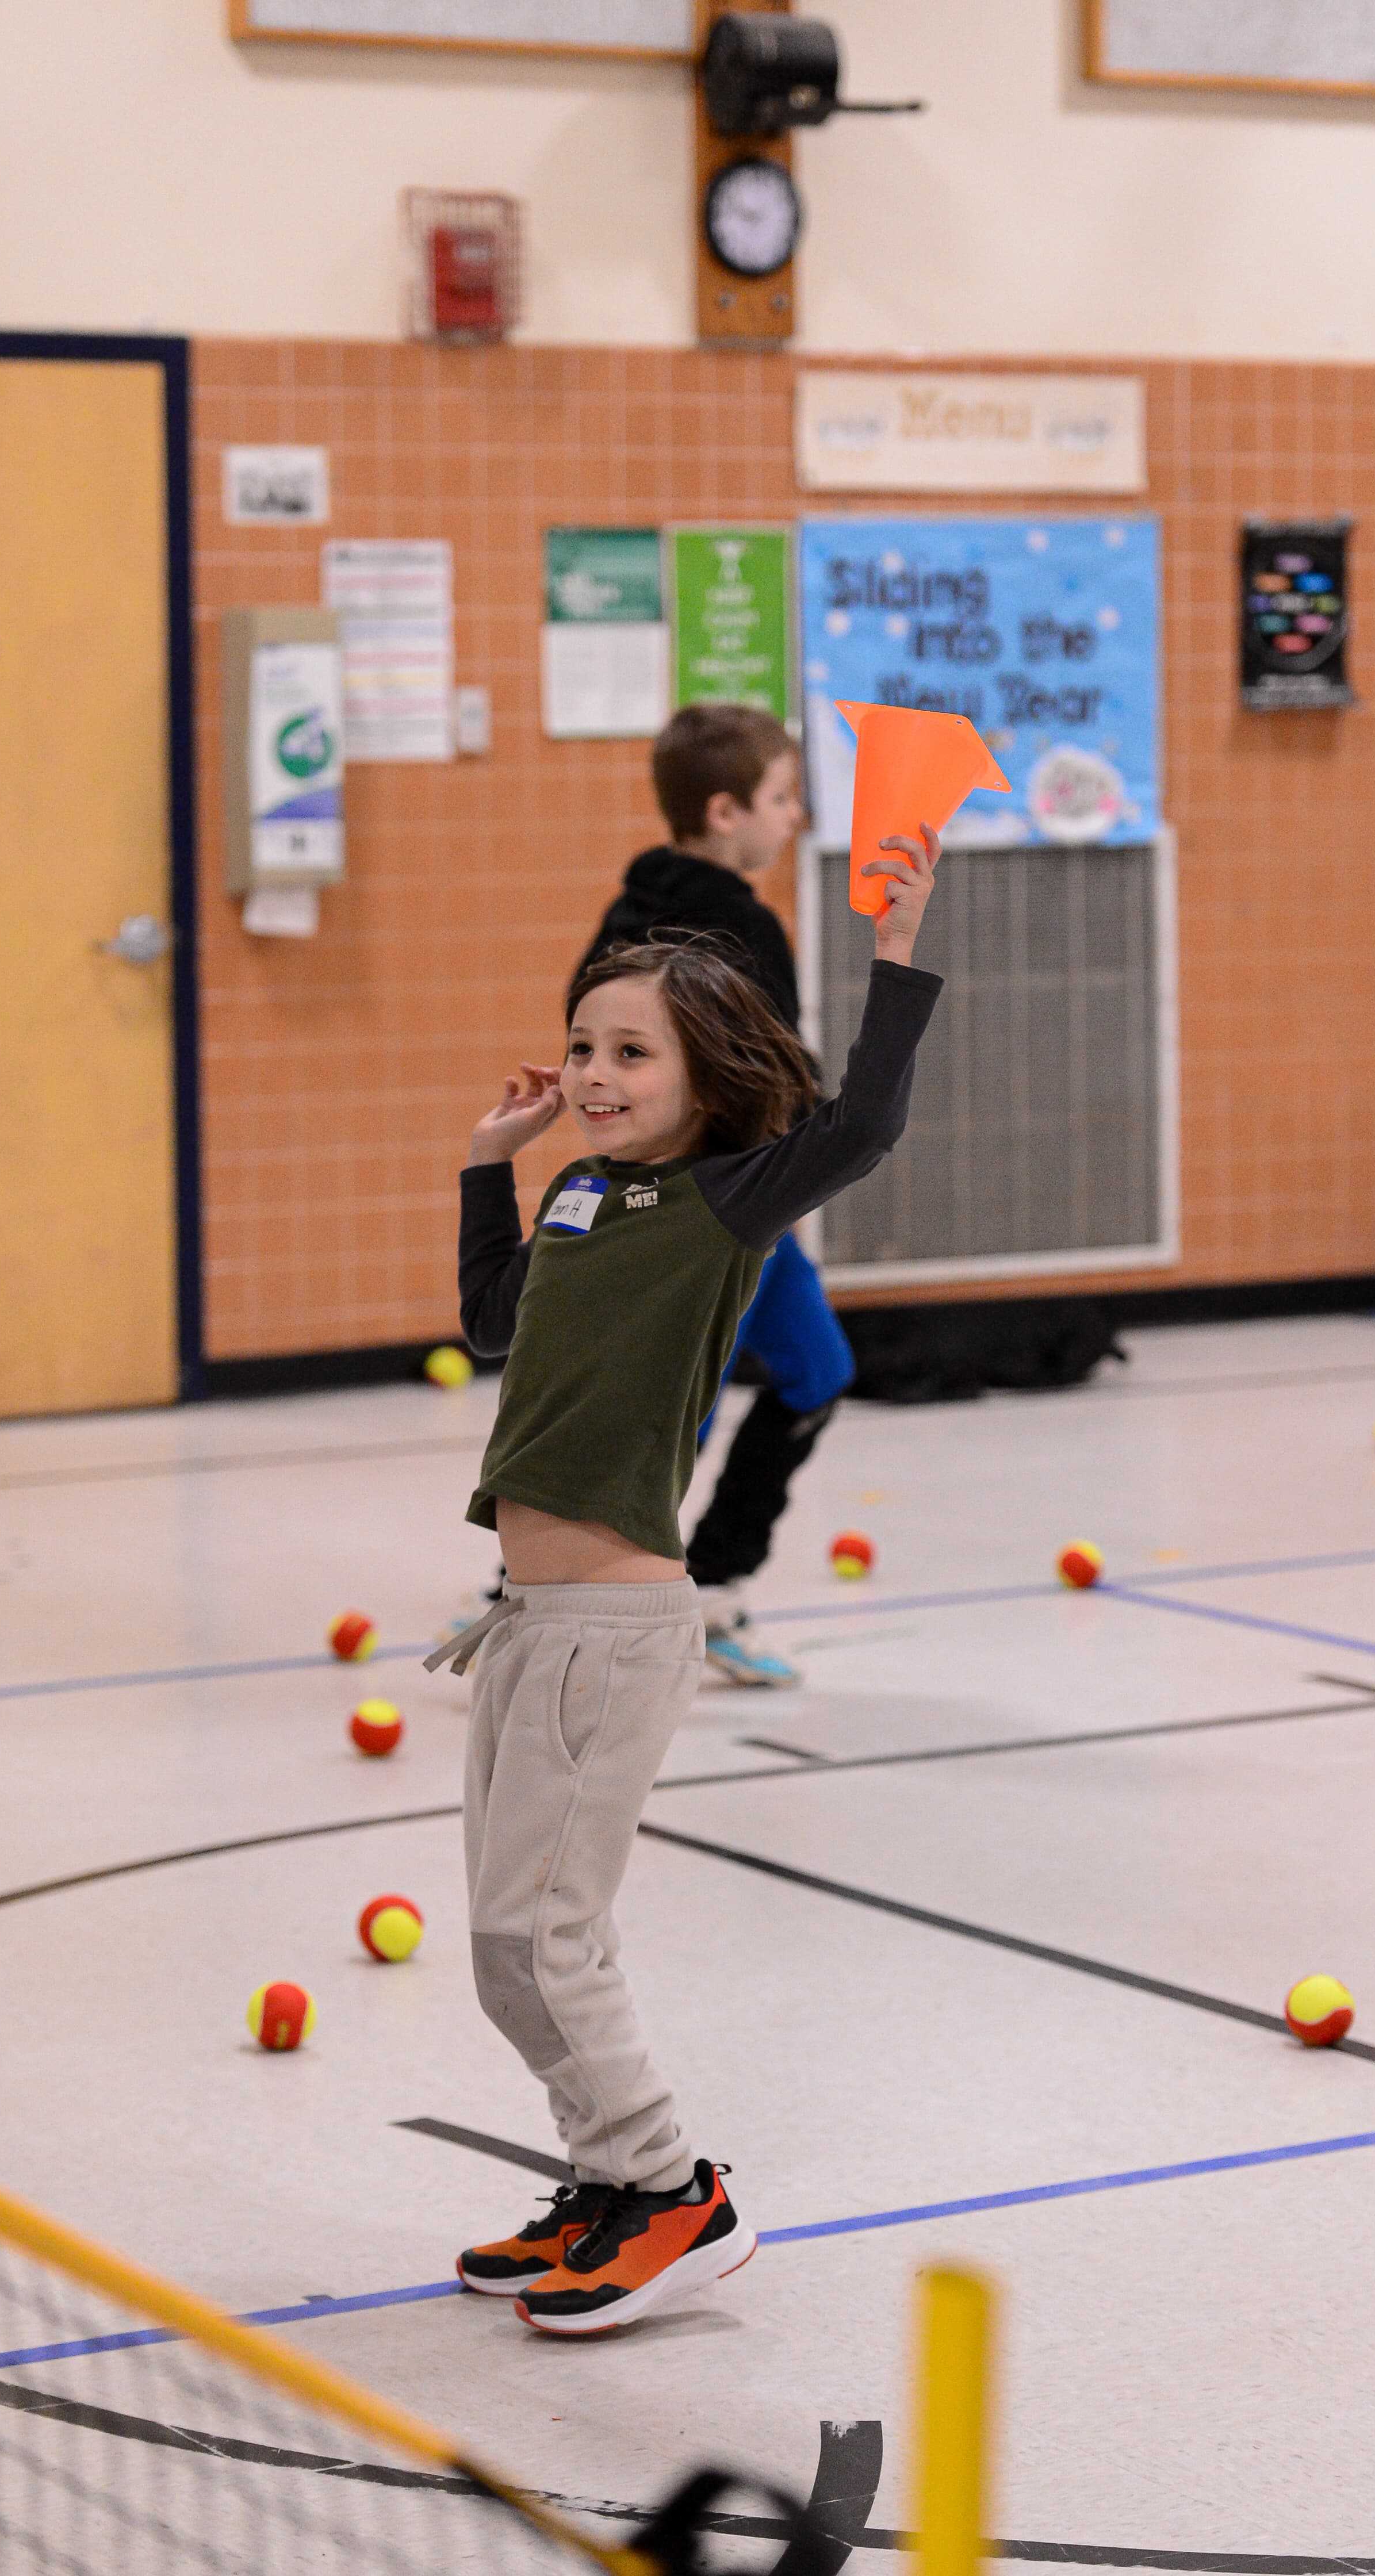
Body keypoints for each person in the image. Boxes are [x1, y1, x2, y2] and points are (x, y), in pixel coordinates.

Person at [428, 826, 940, 2335]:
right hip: (525, 1626)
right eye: (584, 1044)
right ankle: (600, 2187)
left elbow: (865, 1128)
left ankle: (672, 2195)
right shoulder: (582, 1193)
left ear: (706, 1080)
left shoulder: (727, 1202)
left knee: (546, 1939)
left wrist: (899, 954)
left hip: (615, 1633)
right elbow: (496, 1327)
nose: (593, 1073)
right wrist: (489, 1167)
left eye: (631, 1054)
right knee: (498, 1952)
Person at [575, 703, 856, 1690]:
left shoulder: (630, 910)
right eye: (783, 798)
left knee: (814, 1370)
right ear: (725, 810)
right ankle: (546, 1597)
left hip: (738, 1212)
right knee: (672, 1415)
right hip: (711, 1211)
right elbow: (766, 1067)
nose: (798, 816)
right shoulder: (736, 923)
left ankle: (717, 1585)